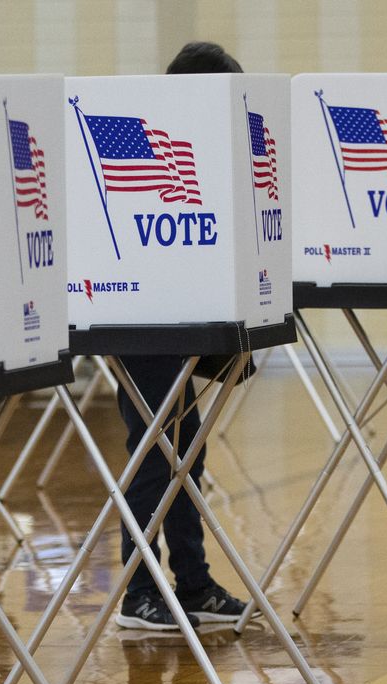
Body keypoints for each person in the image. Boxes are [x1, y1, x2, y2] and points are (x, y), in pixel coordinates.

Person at [111, 41, 255, 632]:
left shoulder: (195, 145)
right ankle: (138, 591)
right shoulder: (143, 138)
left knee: (186, 454)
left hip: (178, 314)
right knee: (155, 454)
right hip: (135, 314)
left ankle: (192, 584)